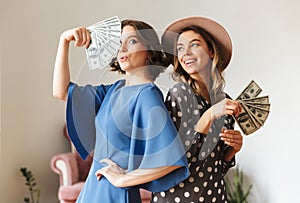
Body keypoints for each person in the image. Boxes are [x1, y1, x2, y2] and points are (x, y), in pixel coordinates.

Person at [52, 19, 189, 203]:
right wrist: (64, 40)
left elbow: (172, 160)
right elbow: (60, 91)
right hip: (93, 189)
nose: (122, 48)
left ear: (149, 50)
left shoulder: (147, 96)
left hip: (114, 194)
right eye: (119, 42)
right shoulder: (114, 90)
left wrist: (124, 179)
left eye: (131, 41)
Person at [151, 16, 244, 203]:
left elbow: (216, 166)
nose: (185, 53)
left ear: (211, 51)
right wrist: (209, 115)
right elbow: (175, 159)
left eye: (194, 45)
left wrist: (233, 150)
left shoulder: (224, 101)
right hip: (177, 197)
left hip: (214, 195)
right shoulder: (180, 93)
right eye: (180, 48)